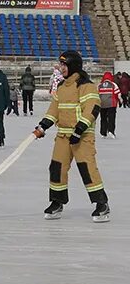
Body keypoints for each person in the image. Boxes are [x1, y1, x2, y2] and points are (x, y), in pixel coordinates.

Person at [33, 50, 110, 222]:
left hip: (82, 137)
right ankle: (57, 202)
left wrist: (79, 129)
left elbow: (92, 109)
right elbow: (54, 111)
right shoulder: (61, 87)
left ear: (72, 66)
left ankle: (101, 203)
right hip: (63, 137)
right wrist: (43, 125)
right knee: (56, 168)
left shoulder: (86, 86)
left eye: (63, 64)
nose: (60, 68)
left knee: (87, 169)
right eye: (60, 64)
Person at [98, 70, 118, 138]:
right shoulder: (113, 84)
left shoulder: (100, 85)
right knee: (111, 118)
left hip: (102, 104)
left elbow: (96, 95)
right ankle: (111, 131)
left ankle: (103, 133)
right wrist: (120, 101)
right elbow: (118, 93)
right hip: (111, 104)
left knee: (103, 118)